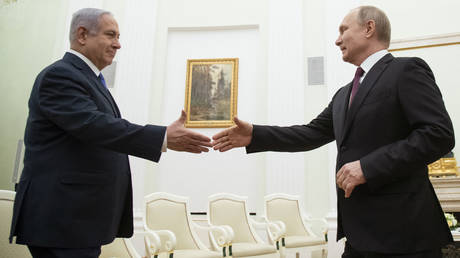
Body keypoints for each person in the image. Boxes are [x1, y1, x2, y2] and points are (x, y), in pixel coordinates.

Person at [213, 5, 455, 258]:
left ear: (369, 28)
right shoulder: (343, 94)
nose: (337, 39)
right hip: (358, 236)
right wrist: (255, 135)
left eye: (343, 30)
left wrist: (368, 167)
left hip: (404, 235)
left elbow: (438, 134)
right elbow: (310, 133)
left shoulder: (406, 70)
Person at [9, 8, 212, 258]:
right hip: (62, 217)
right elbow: (95, 126)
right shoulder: (60, 75)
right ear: (82, 34)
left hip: (78, 218)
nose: (118, 44)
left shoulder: (88, 78)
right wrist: (162, 137)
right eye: (111, 35)